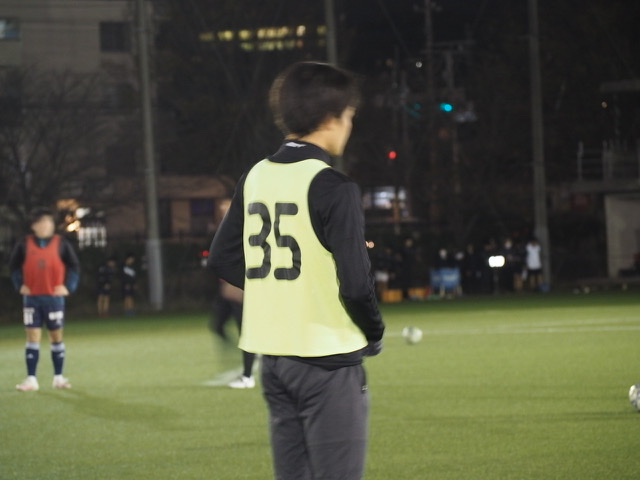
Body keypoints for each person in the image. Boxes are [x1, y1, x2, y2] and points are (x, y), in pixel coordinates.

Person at [208, 61, 385, 480]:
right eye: (349, 116)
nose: (349, 125)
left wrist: (280, 295)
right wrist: (374, 333)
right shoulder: (334, 186)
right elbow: (356, 286)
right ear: (331, 118)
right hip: (327, 358)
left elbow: (222, 258)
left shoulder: (255, 176)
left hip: (275, 359)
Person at [9, 207, 80, 391]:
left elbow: (74, 266)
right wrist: (19, 284)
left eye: (48, 222)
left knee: (56, 337)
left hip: (54, 299)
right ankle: (31, 379)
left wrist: (68, 287)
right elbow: (14, 266)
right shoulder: (24, 244)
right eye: (41, 222)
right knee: (33, 337)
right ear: (33, 226)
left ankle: (58, 378)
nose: (46, 225)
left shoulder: (61, 244)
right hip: (32, 299)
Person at [210, 279, 257, 389]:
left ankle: (247, 377)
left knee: (245, 334)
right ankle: (249, 353)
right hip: (227, 285)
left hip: (238, 287)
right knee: (218, 326)